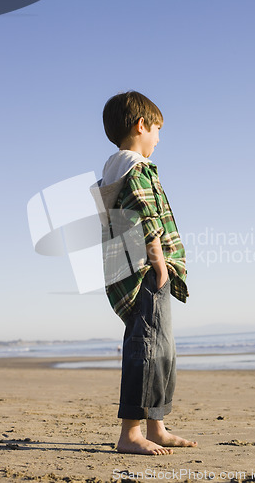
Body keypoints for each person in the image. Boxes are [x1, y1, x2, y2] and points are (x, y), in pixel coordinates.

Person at [91, 91, 197, 455]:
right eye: (156, 130)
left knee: (159, 348)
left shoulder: (114, 169)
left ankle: (156, 425)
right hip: (146, 270)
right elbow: (144, 213)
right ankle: (130, 433)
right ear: (140, 126)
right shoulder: (135, 168)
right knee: (148, 348)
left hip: (136, 269)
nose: (158, 138)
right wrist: (159, 261)